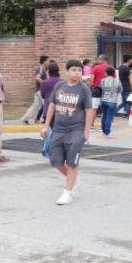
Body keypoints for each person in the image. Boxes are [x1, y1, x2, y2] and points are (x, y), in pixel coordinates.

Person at [41, 60, 94, 204]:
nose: (77, 73)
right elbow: (52, 106)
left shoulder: (84, 89)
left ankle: (68, 192)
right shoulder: (59, 86)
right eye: (74, 70)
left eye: (79, 70)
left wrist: (86, 131)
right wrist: (46, 126)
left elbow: (89, 110)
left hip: (76, 130)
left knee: (71, 162)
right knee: (55, 161)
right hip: (58, 129)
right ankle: (74, 180)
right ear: (67, 71)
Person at [20, 55, 49, 125]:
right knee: (47, 105)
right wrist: (45, 84)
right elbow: (38, 78)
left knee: (35, 106)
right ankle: (47, 121)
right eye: (48, 61)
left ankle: (24, 119)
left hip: (38, 90)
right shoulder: (41, 68)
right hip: (41, 91)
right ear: (44, 62)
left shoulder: (42, 69)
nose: (49, 62)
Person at [98, 67, 123, 138]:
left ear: (106, 73)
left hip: (103, 100)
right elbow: (120, 90)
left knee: (104, 116)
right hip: (112, 101)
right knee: (109, 117)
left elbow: (101, 88)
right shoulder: (117, 81)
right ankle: (107, 133)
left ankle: (103, 132)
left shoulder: (102, 80)